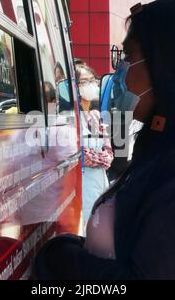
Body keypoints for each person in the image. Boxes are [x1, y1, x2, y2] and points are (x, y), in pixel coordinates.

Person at [34, 0, 175, 280]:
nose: (119, 72)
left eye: (127, 57)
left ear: (169, 66)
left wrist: (62, 260)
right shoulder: (170, 139)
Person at [76, 64, 114, 231]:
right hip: (83, 184)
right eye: (84, 81)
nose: (91, 85)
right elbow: (79, 154)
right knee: (85, 229)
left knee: (99, 225)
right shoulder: (71, 117)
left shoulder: (95, 116)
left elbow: (109, 152)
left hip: (100, 181)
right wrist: (100, 157)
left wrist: (101, 157)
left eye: (93, 80)